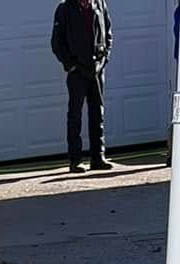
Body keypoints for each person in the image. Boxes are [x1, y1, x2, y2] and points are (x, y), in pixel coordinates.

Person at [51, 0, 113, 173]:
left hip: (97, 70)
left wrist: (104, 58)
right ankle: (75, 160)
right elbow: (57, 42)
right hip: (77, 71)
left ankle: (97, 157)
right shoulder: (65, 8)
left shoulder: (100, 4)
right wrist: (70, 65)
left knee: (97, 113)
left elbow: (108, 33)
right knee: (75, 116)